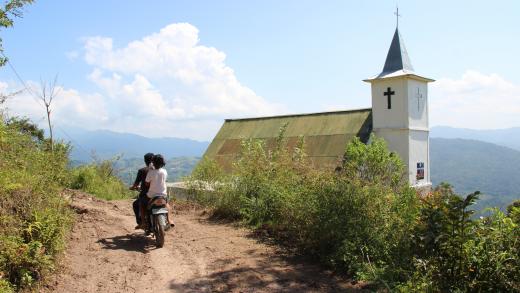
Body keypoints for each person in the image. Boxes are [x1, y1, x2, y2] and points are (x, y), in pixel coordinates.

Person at [145, 154, 174, 227]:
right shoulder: (164, 171)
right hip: (163, 195)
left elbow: (147, 184)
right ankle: (169, 219)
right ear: (162, 163)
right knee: (167, 205)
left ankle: (146, 222)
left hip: (152, 195)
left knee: (144, 205)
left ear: (153, 163)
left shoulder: (150, 172)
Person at [130, 153, 154, 229]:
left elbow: (136, 184)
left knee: (136, 204)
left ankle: (141, 222)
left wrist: (133, 187)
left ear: (145, 161)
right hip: (160, 194)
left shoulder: (142, 170)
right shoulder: (159, 170)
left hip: (146, 195)